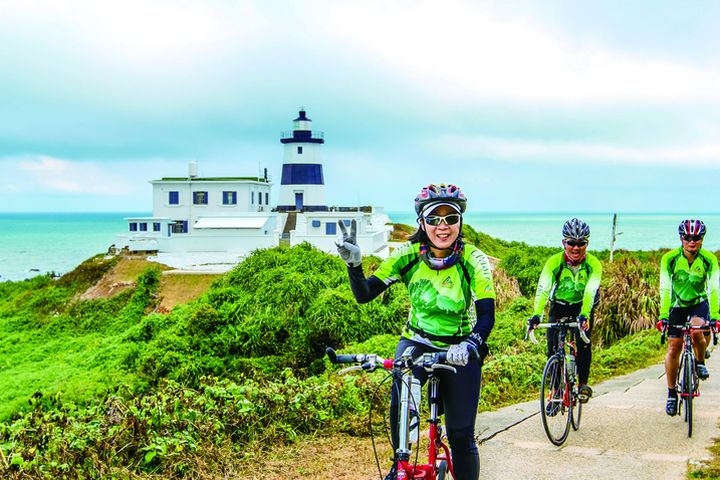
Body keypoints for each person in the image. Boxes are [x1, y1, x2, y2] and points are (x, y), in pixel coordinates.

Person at [336, 184, 495, 480]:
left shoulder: (473, 259)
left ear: (461, 222)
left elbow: (486, 315)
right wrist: (354, 266)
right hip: (416, 343)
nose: (443, 226)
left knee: (461, 436)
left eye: (451, 218)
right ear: (422, 223)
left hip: (459, 348)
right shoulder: (407, 255)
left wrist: (472, 343)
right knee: (401, 412)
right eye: (434, 219)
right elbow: (365, 294)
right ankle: (400, 465)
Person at [527, 218, 602, 410]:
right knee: (553, 350)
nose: (576, 248)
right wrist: (536, 315)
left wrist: (585, 314)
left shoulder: (593, 264)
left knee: (584, 343)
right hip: (559, 306)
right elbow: (543, 289)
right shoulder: (554, 262)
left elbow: (590, 292)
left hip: (581, 306)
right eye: (571, 243)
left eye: (581, 243)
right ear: (563, 243)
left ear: (587, 243)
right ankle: (556, 394)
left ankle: (582, 383)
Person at [656, 219, 719, 416]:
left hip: (698, 302)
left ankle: (700, 362)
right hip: (677, 305)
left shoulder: (709, 259)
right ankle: (672, 393)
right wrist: (664, 315)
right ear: (682, 239)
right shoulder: (670, 258)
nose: (692, 242)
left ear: (702, 239)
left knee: (697, 332)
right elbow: (665, 287)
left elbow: (715, 287)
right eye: (688, 238)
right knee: (674, 347)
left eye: (696, 238)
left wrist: (716, 315)